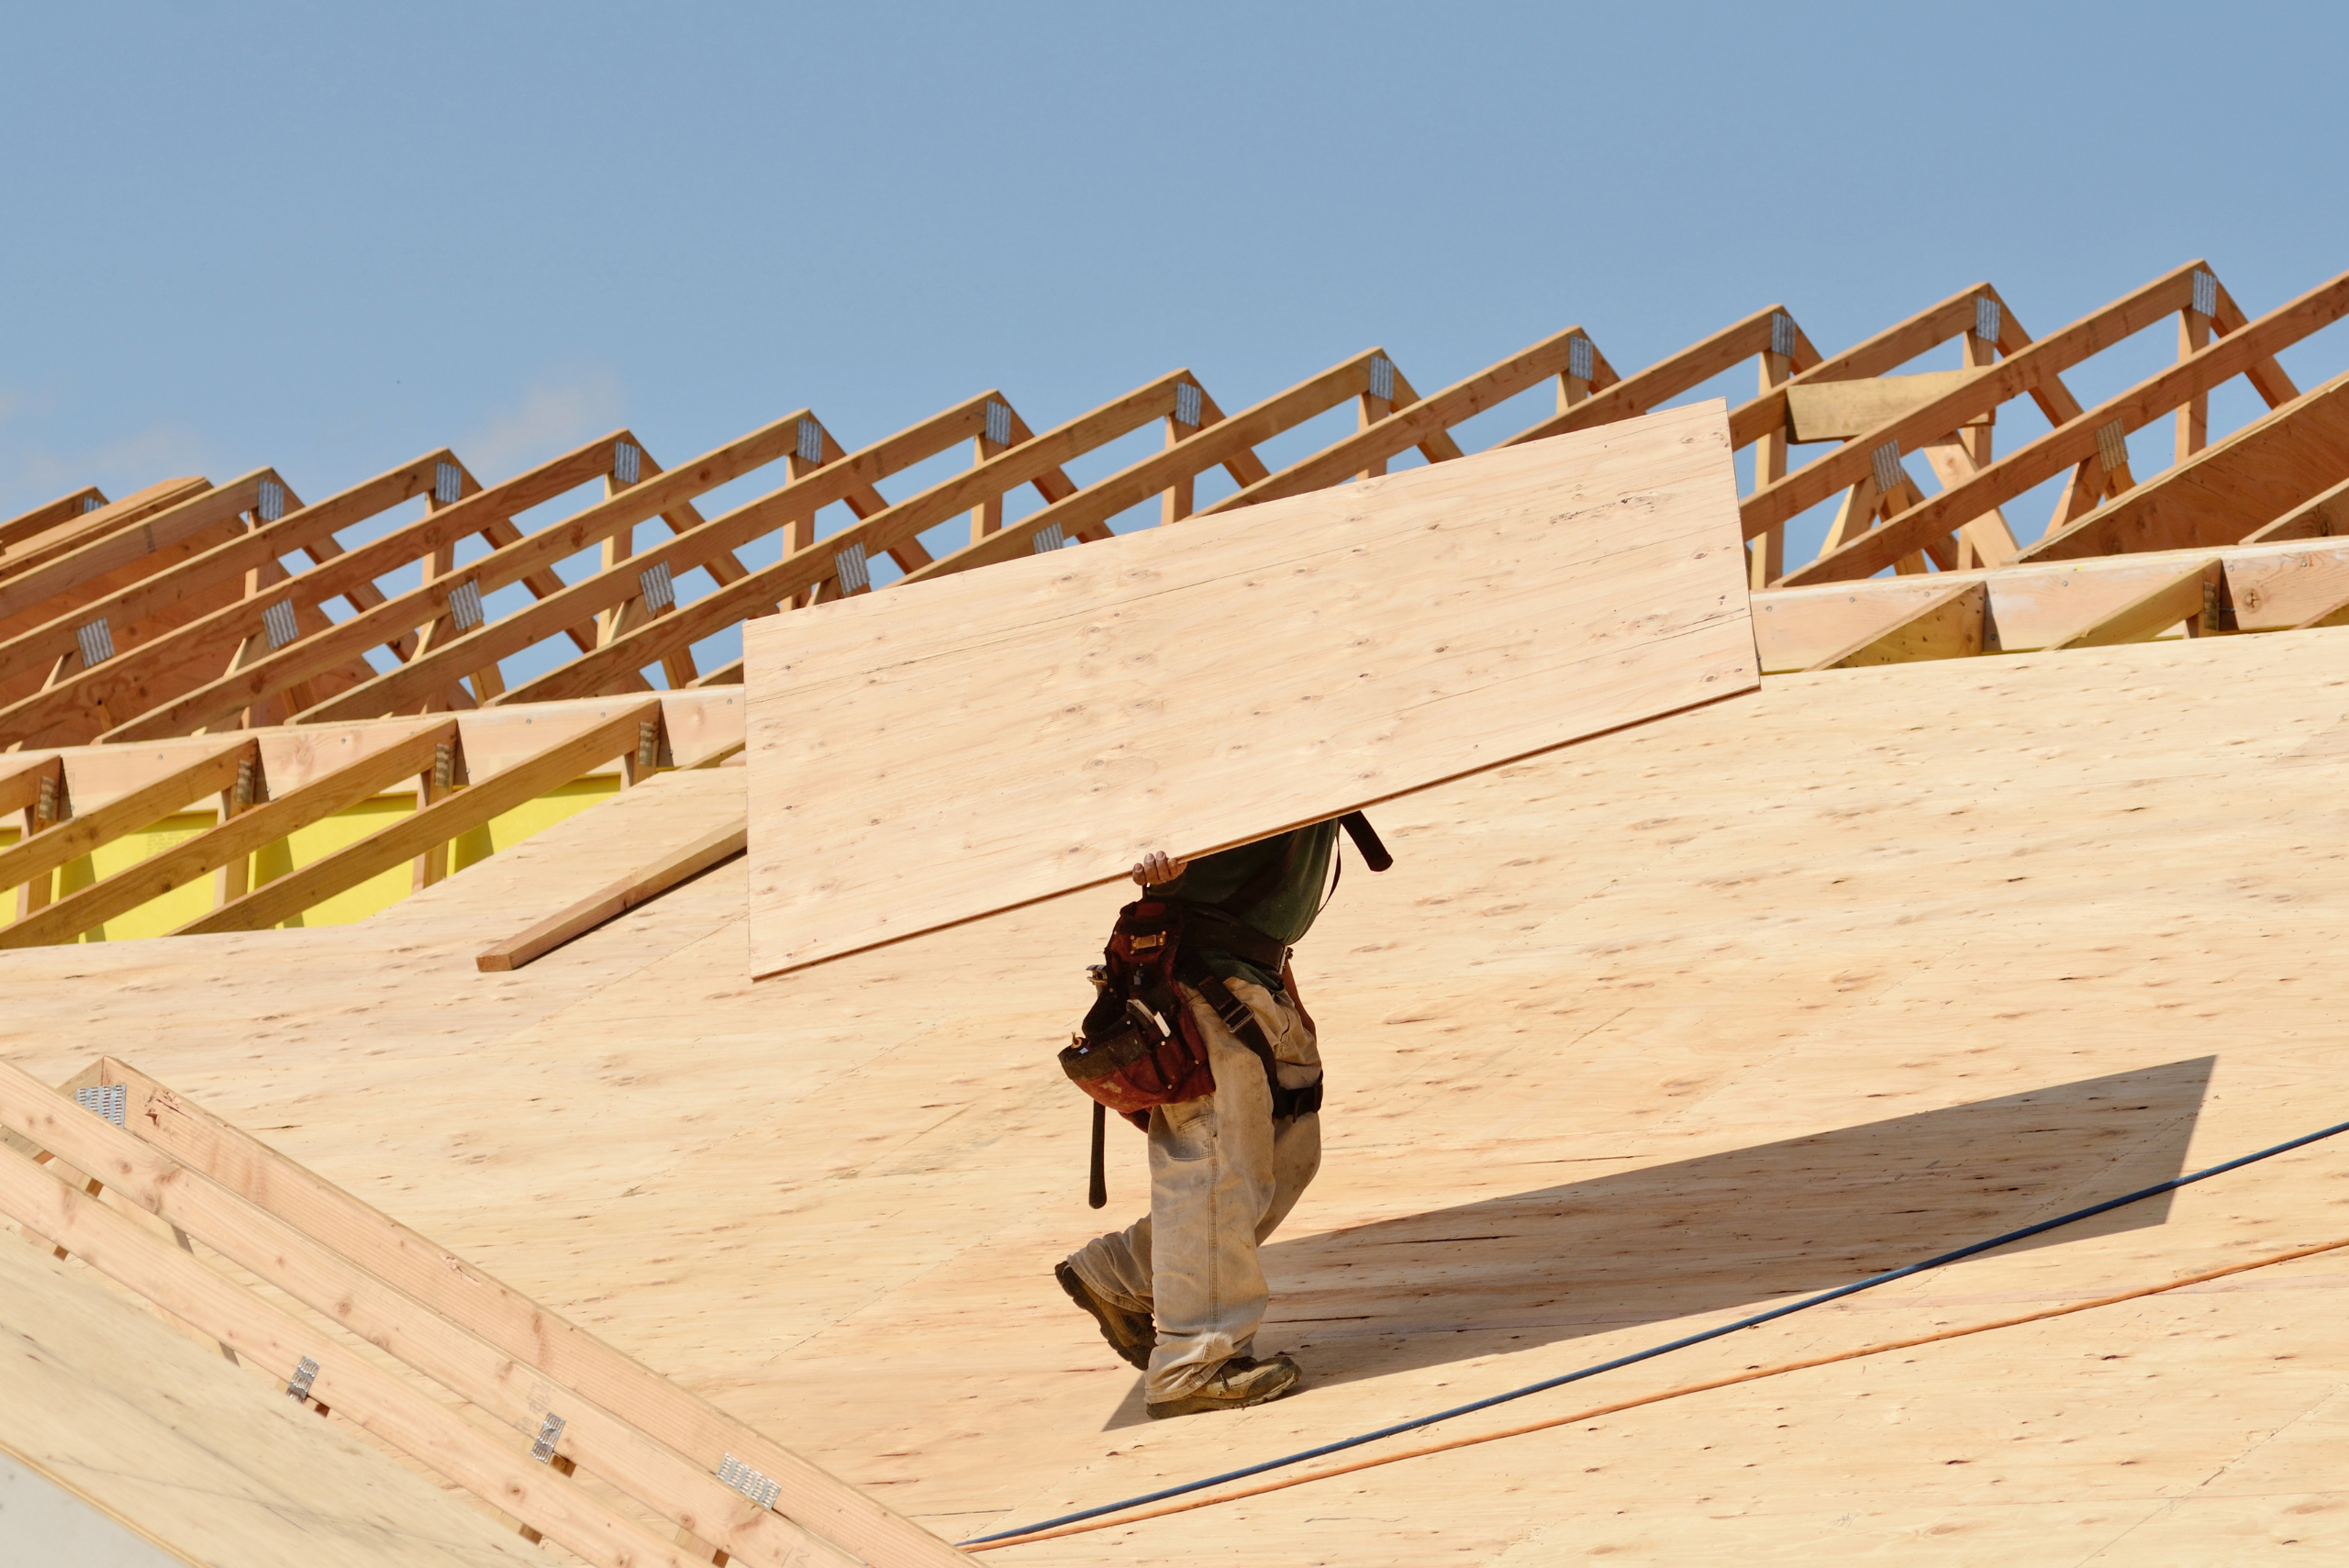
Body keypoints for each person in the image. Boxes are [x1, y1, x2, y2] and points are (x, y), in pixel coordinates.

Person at [1055, 821, 1339, 1418]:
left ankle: (1127, 1268)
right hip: (1203, 964)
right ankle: (1195, 1360)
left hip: (1251, 960)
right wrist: (1147, 837)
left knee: (1290, 1144)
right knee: (1215, 1159)